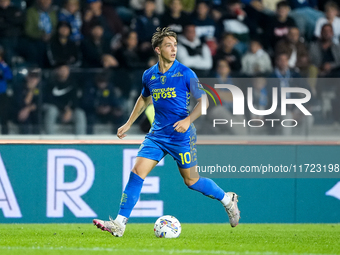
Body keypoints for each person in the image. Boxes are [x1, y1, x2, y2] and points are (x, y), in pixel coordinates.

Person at [92, 27, 240, 237]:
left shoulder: (185, 73)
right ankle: (119, 223)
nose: (173, 49)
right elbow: (144, 98)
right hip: (157, 135)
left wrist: (188, 120)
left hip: (181, 136)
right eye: (169, 45)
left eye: (175, 45)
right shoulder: (149, 75)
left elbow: (204, 100)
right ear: (158, 49)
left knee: (192, 181)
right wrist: (128, 123)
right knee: (136, 173)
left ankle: (227, 200)